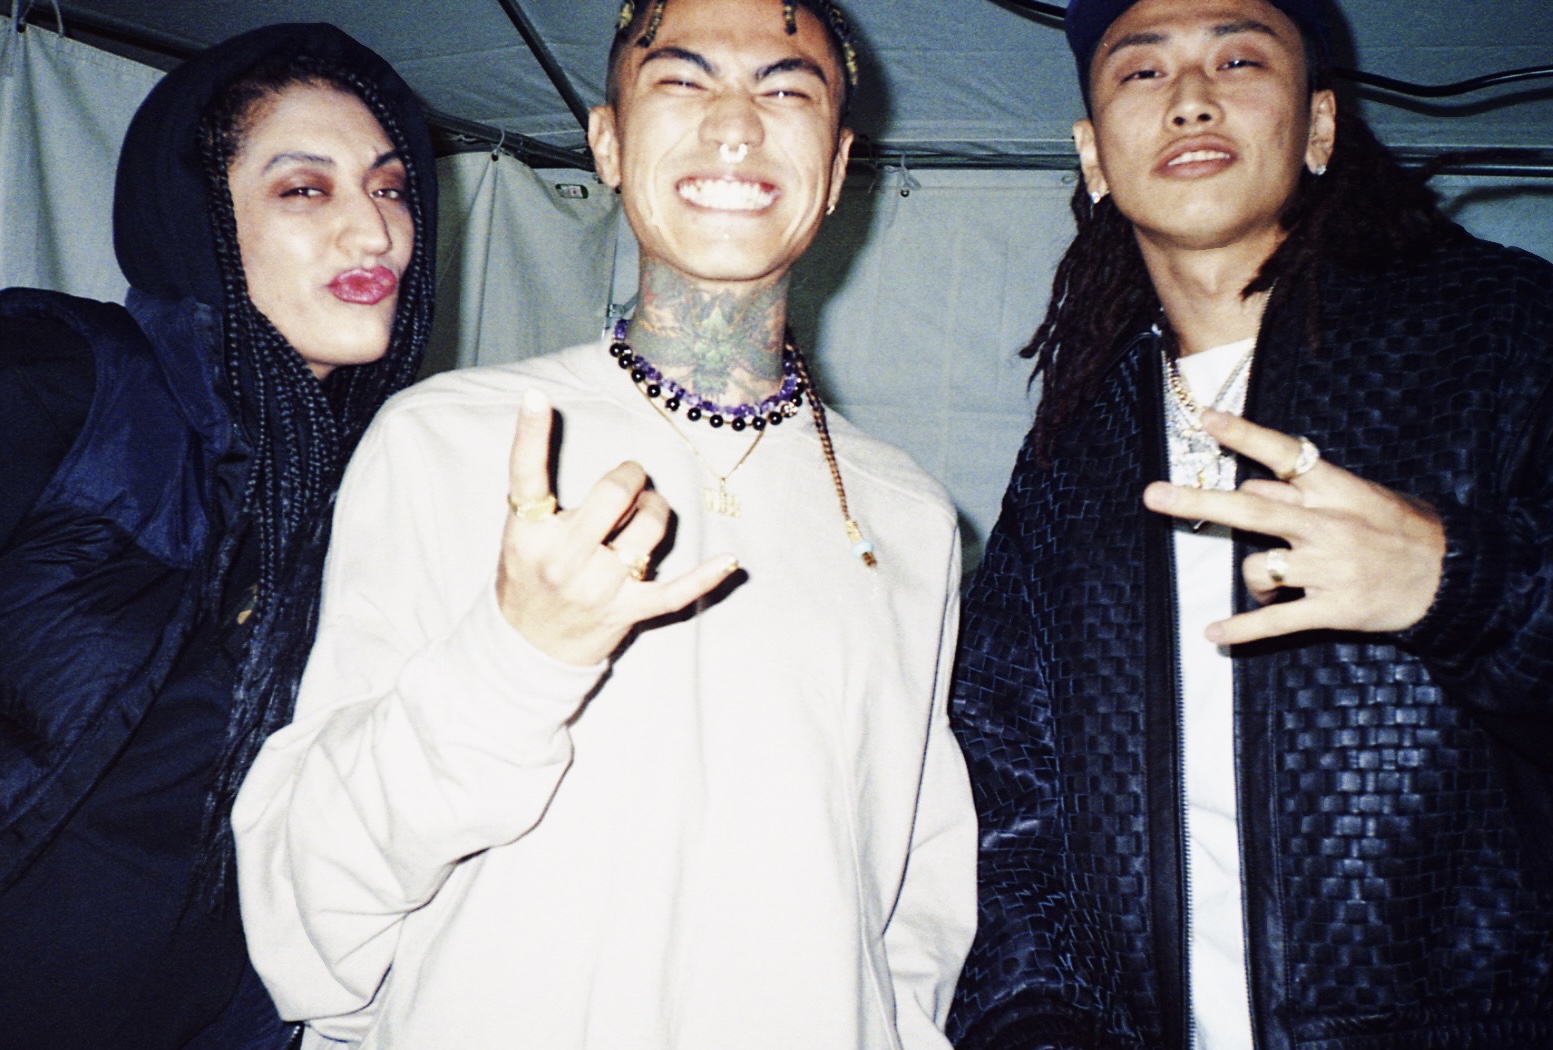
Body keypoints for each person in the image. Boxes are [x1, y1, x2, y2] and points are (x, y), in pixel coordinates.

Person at [233, 0, 976, 1047]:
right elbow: (304, 905)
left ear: (839, 161)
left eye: (785, 89)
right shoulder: (450, 440)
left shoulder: (905, 516)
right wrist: (515, 655)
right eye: (682, 80)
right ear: (608, 144)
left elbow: (914, 916)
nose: (734, 124)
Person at [948, 0, 1553, 1047]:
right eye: (1141, 72)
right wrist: (1035, 1021)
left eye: (1237, 59)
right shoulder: (1073, 444)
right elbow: (1004, 784)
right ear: (1092, 157)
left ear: (1318, 126)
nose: (1189, 99)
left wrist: (1454, 580)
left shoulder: (1504, 331)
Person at [0, 23, 436, 1049]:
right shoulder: (65, 375)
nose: (373, 232)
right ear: (197, 215)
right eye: (305, 189)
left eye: (388, 187)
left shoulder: (382, 486)